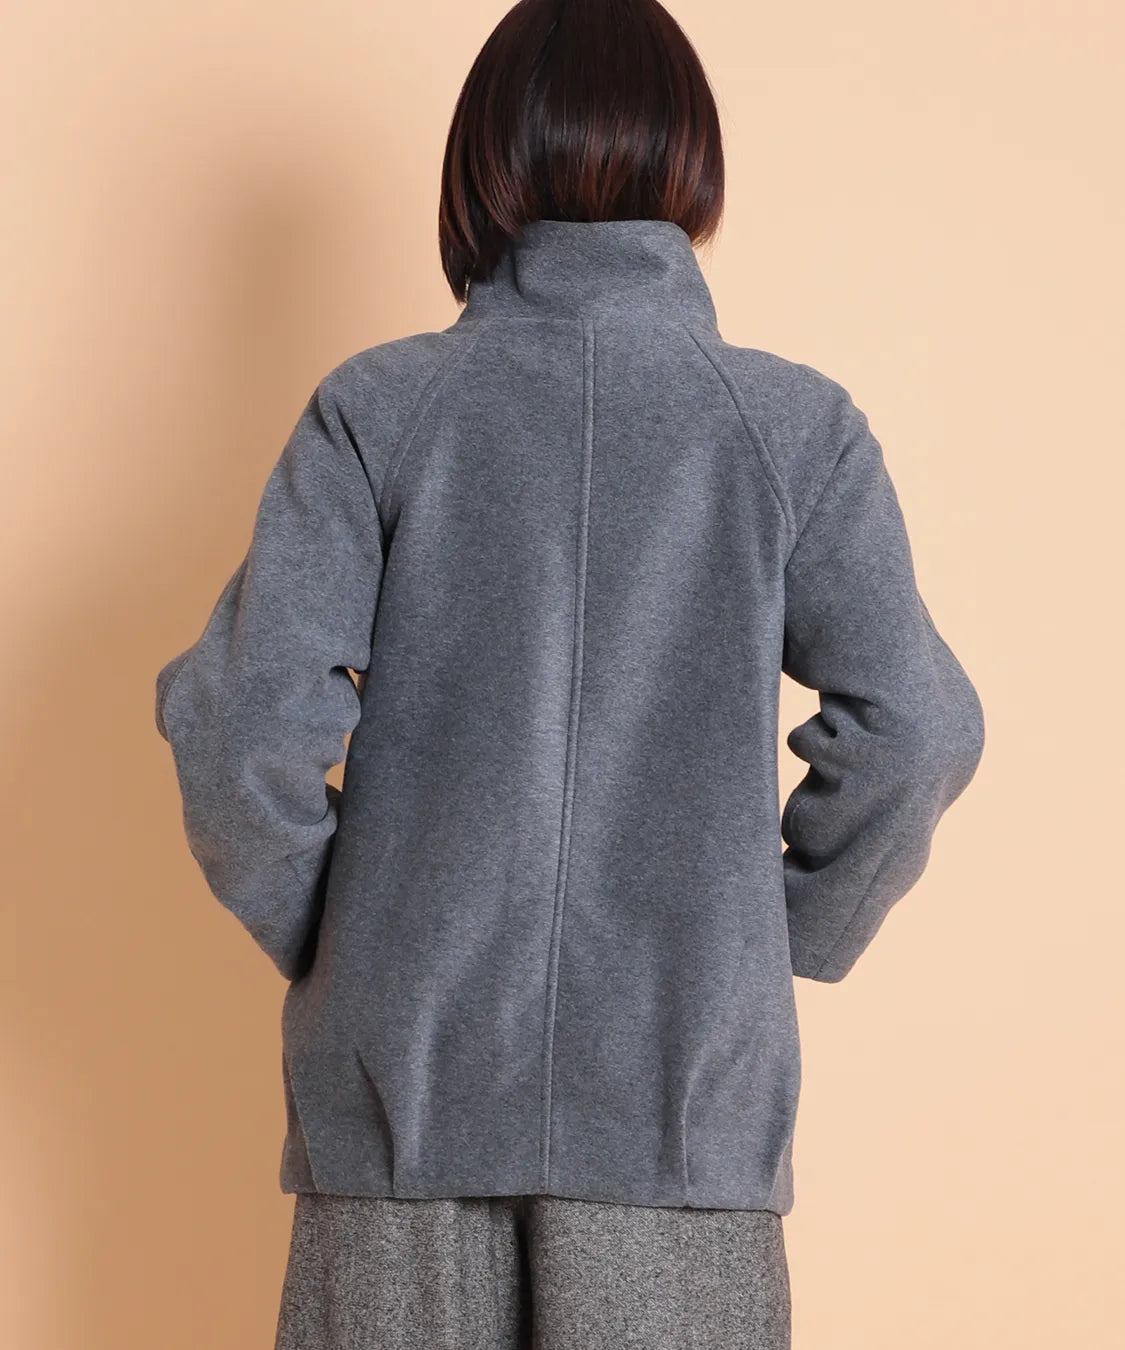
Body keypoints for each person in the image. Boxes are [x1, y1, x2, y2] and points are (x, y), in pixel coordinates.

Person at [153, 0, 986, 1345]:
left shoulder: (377, 409)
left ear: (483, 163)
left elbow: (238, 724)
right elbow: (915, 729)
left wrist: (353, 941)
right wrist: (772, 938)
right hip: (682, 1118)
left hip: (402, 1108)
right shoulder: (794, 428)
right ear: (689, 159)